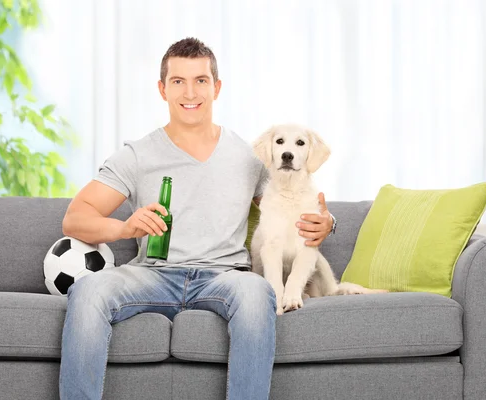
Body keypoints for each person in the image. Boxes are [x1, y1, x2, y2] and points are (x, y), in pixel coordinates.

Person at [59, 37, 335, 400]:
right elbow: (76, 218)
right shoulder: (136, 155)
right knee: (89, 289)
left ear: (216, 87)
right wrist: (125, 227)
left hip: (224, 277)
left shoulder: (249, 156)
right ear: (162, 89)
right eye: (178, 81)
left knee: (257, 292)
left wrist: (328, 224)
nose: (190, 92)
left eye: (201, 80)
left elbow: (291, 201)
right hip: (152, 274)